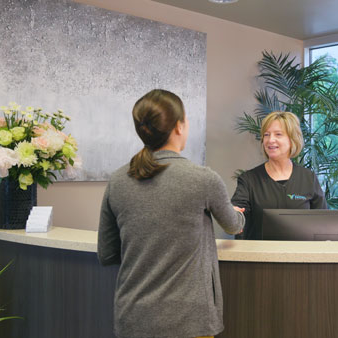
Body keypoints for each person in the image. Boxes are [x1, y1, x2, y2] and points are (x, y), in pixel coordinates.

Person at [97, 89, 245, 338]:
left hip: (133, 319)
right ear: (179, 127)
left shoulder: (117, 181)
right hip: (190, 321)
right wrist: (236, 213)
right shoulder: (203, 179)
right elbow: (233, 226)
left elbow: (107, 253)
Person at [231, 111, 327, 240]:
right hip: (259, 256)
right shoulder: (249, 179)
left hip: (300, 256)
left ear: (292, 139)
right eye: (266, 135)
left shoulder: (308, 178)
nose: (270, 140)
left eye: (278, 134)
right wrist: (233, 214)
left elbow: (323, 222)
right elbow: (237, 215)